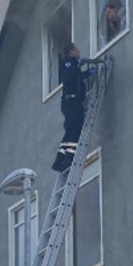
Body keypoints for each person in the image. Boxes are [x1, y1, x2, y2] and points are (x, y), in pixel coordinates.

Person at [51, 43, 100, 172]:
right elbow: (71, 76)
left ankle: (59, 160)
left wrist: (86, 73)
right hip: (72, 102)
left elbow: (75, 77)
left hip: (69, 102)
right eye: (77, 49)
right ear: (72, 51)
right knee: (75, 129)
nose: (79, 51)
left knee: (69, 133)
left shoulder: (72, 65)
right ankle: (69, 158)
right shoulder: (69, 62)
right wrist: (78, 65)